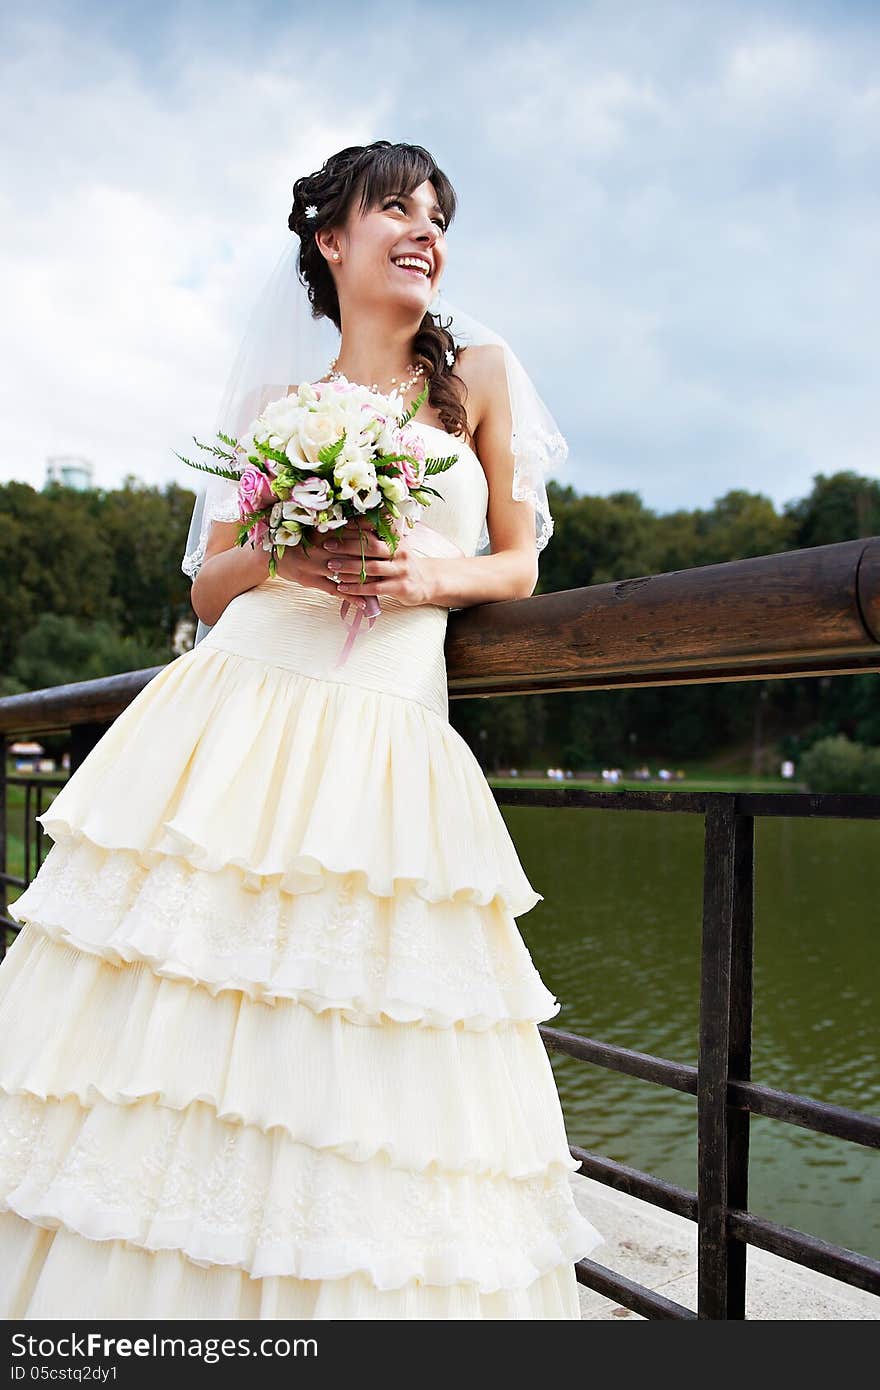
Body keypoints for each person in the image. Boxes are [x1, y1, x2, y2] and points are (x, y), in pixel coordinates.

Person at [0, 141, 604, 1319]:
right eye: (396, 209)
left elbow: (522, 563)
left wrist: (430, 578)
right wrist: (290, 545)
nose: (425, 230)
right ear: (332, 241)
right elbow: (209, 587)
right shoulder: (279, 407)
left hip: (382, 727)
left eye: (438, 215)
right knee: (178, 997)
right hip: (233, 712)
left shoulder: (479, 374)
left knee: (363, 1016)